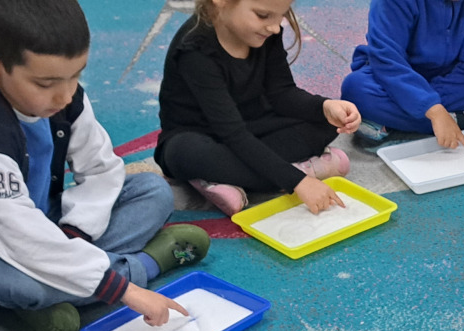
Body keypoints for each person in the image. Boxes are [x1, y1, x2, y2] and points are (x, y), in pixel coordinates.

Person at [0, 0, 210, 331]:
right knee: (27, 284)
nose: (65, 96)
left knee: (152, 191)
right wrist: (127, 290)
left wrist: (74, 233)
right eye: (45, 83)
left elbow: (101, 170)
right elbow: (21, 238)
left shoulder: (62, 94)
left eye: (76, 75)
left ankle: (64, 290)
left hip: (45, 221)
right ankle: (146, 264)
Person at [156, 0, 363, 217]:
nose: (274, 27)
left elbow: (282, 93)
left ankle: (226, 180)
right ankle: (300, 170)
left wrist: (325, 107)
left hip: (254, 125)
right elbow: (232, 132)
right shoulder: (196, 50)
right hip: (202, 135)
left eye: (281, 15)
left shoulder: (265, 33)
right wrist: (298, 181)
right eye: (263, 15)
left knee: (326, 123)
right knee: (188, 154)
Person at [342, 0, 464, 151]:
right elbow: (387, 60)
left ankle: (393, 121)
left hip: (447, 74)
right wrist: (434, 110)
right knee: (355, 88)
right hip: (399, 75)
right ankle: (463, 119)